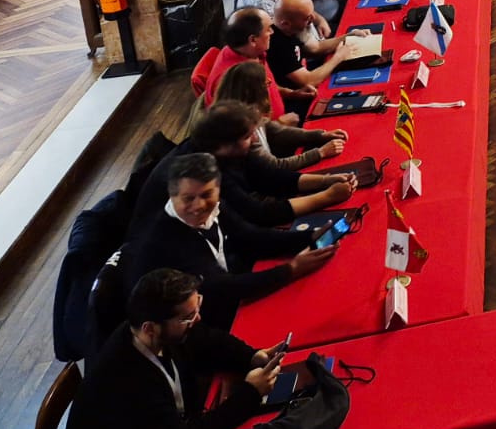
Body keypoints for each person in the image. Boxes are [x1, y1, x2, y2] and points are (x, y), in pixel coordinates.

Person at [58, 267, 283, 429]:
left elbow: (206, 339)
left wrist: (252, 356)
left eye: (197, 307)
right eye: (188, 317)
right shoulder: (128, 381)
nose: (197, 319)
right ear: (150, 328)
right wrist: (250, 393)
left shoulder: (153, 332)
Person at [124, 153, 332, 331]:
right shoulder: (165, 241)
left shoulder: (215, 208)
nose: (199, 205)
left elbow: (251, 238)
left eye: (207, 194)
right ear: (172, 195)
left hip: (227, 296)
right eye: (188, 198)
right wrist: (292, 269)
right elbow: (223, 289)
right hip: (196, 325)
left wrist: (309, 237)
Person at [130, 103, 354, 232]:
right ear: (226, 144)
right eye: (248, 137)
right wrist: (326, 197)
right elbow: (258, 214)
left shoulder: (226, 150)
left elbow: (270, 177)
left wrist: (326, 180)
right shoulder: (203, 170)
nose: (255, 140)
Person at [212, 59, 347, 174]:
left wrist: (320, 135)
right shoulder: (242, 130)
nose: (270, 84)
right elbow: (275, 167)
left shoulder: (248, 112)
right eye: (266, 83)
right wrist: (321, 152)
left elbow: (277, 131)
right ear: (254, 92)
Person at [194, 8, 289, 121]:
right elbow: (241, 128)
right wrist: (282, 123)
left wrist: (290, 93)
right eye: (268, 29)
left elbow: (267, 85)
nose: (272, 32)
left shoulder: (251, 52)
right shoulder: (235, 78)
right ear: (253, 40)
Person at [267, 0, 354, 98]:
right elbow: (309, 81)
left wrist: (347, 37)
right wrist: (338, 57)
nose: (312, 19)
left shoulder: (289, 29)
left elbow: (316, 48)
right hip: (298, 95)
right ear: (286, 24)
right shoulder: (277, 45)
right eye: (307, 18)